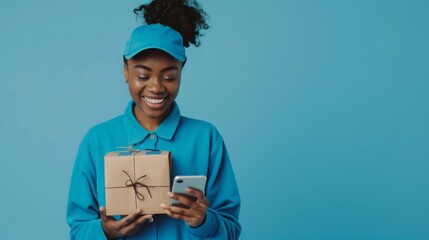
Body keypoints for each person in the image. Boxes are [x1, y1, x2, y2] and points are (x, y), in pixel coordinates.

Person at [66, 0, 241, 239]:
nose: (156, 87)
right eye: (143, 75)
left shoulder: (206, 139)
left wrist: (204, 221)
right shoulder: (97, 140)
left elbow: (231, 230)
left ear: (181, 71)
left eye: (169, 76)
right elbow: (77, 230)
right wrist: (104, 231)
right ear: (126, 71)